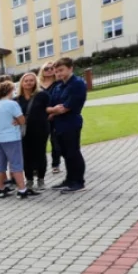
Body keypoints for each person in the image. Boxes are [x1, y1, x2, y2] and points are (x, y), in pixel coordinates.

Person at [47, 57, 87, 193]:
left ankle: (78, 182)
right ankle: (70, 179)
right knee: (64, 153)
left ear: (70, 68)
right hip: (59, 124)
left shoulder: (77, 84)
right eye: (57, 71)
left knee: (73, 152)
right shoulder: (58, 86)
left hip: (71, 123)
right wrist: (53, 111)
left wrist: (53, 112)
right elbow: (52, 105)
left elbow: (65, 107)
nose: (59, 73)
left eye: (61, 70)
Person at [0, 81, 34, 200]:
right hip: (11, 137)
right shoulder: (12, 104)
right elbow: (22, 120)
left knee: (0, 164)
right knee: (16, 163)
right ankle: (22, 189)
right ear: (9, 91)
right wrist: (18, 120)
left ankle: (1, 188)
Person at [17, 72, 51, 190]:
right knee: (26, 155)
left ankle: (41, 179)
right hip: (24, 131)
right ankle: (29, 179)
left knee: (40, 153)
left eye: (31, 80)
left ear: (35, 82)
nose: (29, 83)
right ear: (22, 83)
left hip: (40, 129)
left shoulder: (42, 95)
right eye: (26, 81)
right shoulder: (17, 99)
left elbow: (49, 109)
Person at [38, 62, 62, 173]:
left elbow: (61, 99)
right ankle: (38, 166)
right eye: (46, 68)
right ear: (42, 70)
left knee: (55, 141)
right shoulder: (38, 85)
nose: (49, 70)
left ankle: (55, 164)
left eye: (51, 68)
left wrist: (53, 113)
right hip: (41, 118)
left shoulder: (58, 83)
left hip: (56, 116)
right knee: (40, 144)